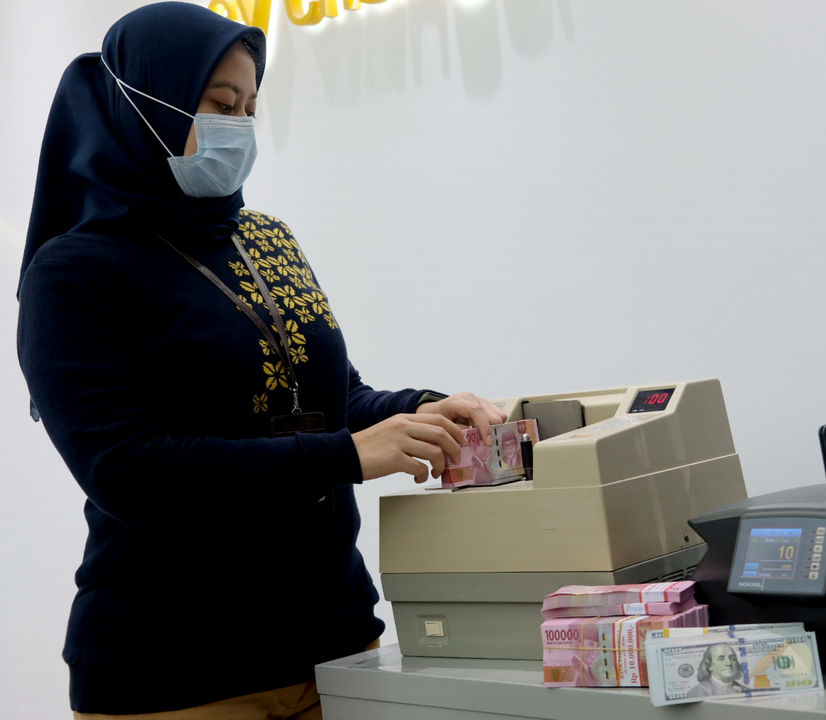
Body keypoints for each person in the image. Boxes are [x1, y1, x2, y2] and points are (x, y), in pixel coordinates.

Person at [15, 3, 505, 717]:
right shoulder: (75, 274)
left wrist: (417, 410)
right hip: (176, 672)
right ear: (143, 106)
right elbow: (132, 470)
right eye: (219, 105)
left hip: (335, 645)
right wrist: (346, 454)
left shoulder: (264, 236)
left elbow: (334, 395)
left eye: (249, 107)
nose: (238, 127)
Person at [685, 642, 750, 698]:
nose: (729, 663)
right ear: (709, 665)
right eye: (721, 658)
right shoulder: (698, 692)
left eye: (732, 658)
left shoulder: (746, 690)